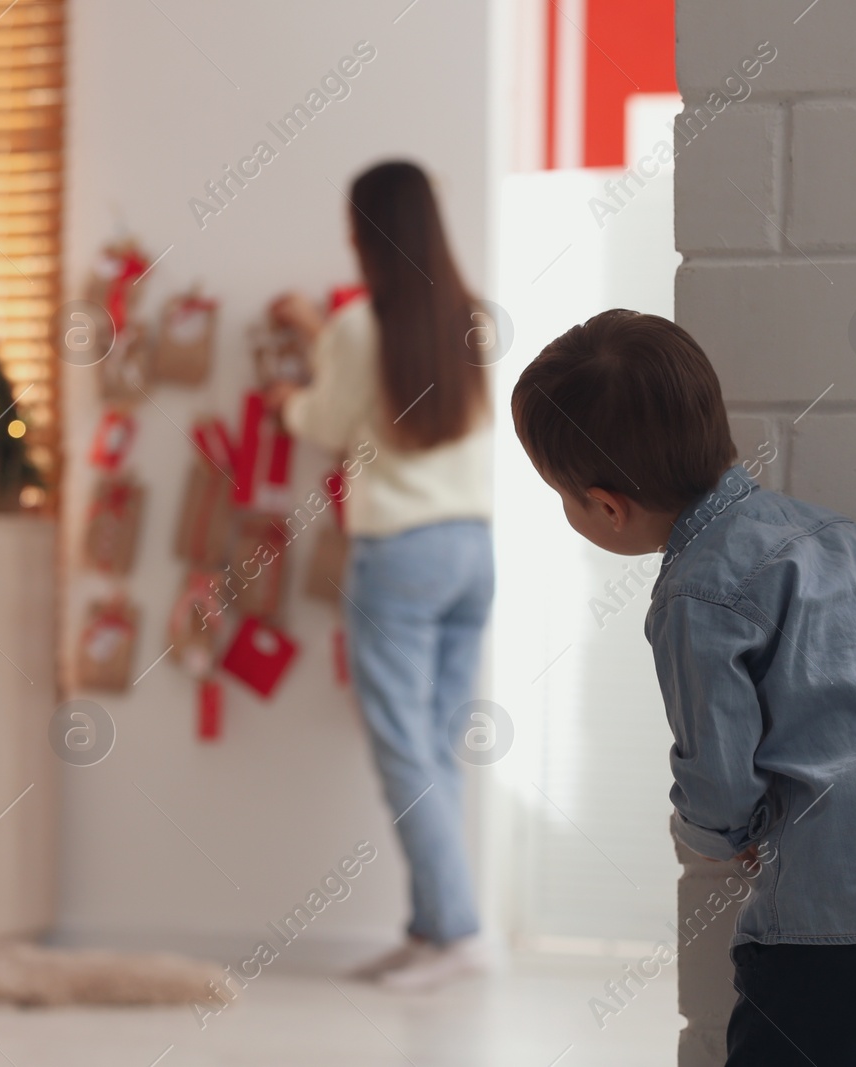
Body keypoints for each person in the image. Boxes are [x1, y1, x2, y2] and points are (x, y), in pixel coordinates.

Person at [510, 309, 856, 1064]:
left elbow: (719, 780)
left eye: (564, 496)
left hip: (836, 929)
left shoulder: (695, 592)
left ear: (608, 505)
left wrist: (722, 836)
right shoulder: (853, 540)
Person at [267, 160, 494, 991]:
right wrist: (318, 332)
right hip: (472, 547)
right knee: (433, 747)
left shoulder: (359, 327)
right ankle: (433, 929)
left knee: (405, 750)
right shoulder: (468, 317)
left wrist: (287, 396)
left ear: (367, 232)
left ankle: (458, 932)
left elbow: (327, 419)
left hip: (399, 552)